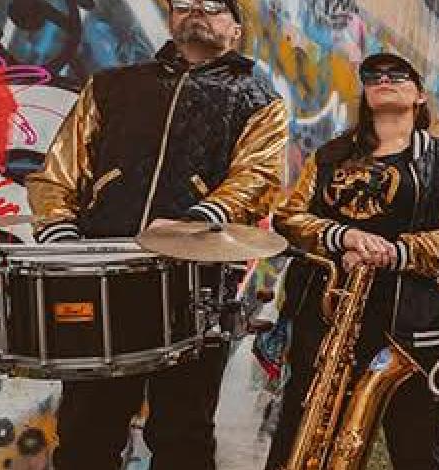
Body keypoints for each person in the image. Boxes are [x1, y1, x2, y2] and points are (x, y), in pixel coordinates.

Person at [25, 0, 286, 467]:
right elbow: (57, 173)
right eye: (185, 4)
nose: (196, 13)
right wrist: (61, 233)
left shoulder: (259, 100)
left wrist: (197, 222)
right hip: (104, 275)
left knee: (181, 431)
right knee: (86, 427)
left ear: (237, 29)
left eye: (212, 7)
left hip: (194, 282)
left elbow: (257, 177)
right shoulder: (112, 85)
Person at [267, 52, 439, 469]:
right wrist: (342, 237)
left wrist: (397, 253)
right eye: (373, 75)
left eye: (398, 74)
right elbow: (290, 217)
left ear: (419, 93)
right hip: (326, 317)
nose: (384, 79)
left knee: (416, 447)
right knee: (300, 434)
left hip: (408, 326)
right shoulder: (330, 155)